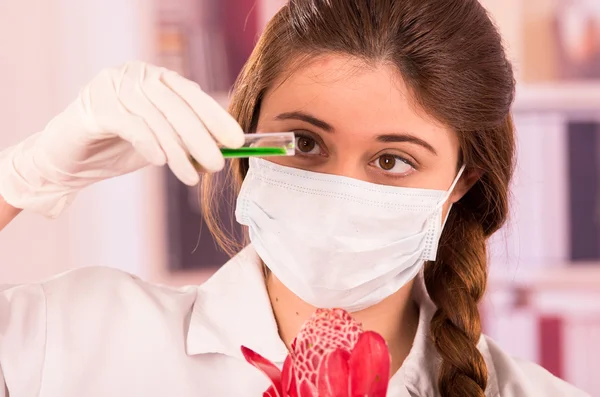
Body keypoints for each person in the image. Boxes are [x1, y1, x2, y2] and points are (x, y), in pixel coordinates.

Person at [0, 0, 590, 396]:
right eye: (304, 142)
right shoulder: (76, 333)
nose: (340, 192)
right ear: (243, 134)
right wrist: (21, 178)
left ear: (461, 182)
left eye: (392, 160)